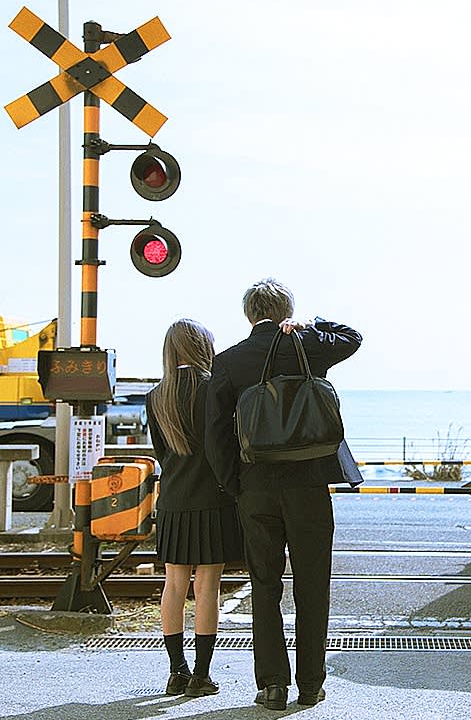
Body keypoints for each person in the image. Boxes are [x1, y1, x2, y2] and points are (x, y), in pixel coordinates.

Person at [204, 278, 362, 711]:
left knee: (264, 585)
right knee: (313, 584)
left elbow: (215, 433)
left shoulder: (229, 361)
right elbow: (352, 337)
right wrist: (311, 325)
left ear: (249, 315)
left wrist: (234, 484)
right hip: (309, 483)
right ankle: (310, 684)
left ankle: (273, 685)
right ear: (286, 311)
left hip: (256, 486)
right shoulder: (307, 346)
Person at [148, 319, 244, 698]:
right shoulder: (213, 388)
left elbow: (161, 453)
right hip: (213, 499)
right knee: (207, 587)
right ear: (203, 347)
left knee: (173, 585)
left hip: (173, 500)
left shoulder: (157, 396)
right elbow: (226, 446)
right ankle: (201, 675)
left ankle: (177, 671)